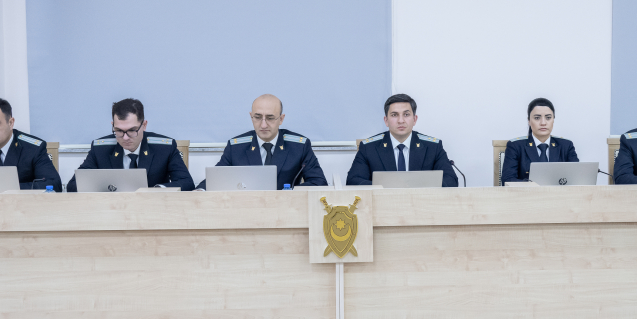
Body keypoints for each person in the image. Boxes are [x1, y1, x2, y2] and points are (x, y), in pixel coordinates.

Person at [196, 94, 327, 190]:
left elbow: (319, 182)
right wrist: (199, 191)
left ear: (281, 119)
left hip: (286, 210)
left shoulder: (299, 146)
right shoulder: (236, 147)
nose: (263, 125)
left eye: (270, 118)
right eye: (257, 117)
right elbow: (215, 179)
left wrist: (289, 193)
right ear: (251, 117)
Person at [66, 98, 195, 192]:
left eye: (132, 130)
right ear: (113, 126)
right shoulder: (100, 149)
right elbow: (73, 185)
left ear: (144, 125)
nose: (125, 137)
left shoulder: (165, 148)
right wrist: (105, 187)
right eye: (119, 131)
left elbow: (187, 183)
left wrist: (157, 190)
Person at [346, 93, 458, 187]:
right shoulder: (369, 148)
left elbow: (451, 180)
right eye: (394, 115)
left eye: (406, 114)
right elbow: (353, 181)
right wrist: (386, 188)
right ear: (386, 120)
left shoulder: (433, 147)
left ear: (414, 119)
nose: (401, 120)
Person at [501, 97, 579, 184]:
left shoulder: (566, 146)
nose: (543, 123)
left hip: (560, 196)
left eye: (548, 118)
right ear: (529, 121)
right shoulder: (515, 146)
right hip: (527, 196)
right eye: (537, 118)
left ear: (553, 120)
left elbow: (577, 178)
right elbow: (508, 180)